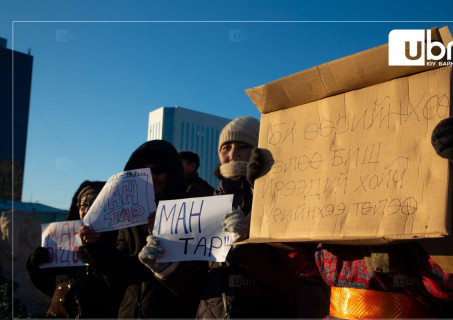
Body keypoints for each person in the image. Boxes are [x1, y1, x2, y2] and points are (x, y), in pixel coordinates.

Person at [291, 117, 453, 319]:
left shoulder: (413, 207)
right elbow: (303, 265)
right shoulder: (326, 207)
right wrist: (268, 195)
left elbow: (448, 285)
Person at [138, 116, 304, 318]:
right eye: (225, 148)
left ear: (260, 150)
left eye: (243, 146)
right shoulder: (205, 206)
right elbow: (197, 289)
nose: (232, 154)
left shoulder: (280, 201)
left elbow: (293, 281)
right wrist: (166, 268)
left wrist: (244, 248)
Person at [77, 140, 199, 318]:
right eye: (143, 172)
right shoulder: (126, 218)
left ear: (171, 172)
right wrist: (97, 246)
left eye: (158, 170)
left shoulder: (190, 209)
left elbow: (198, 278)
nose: (151, 178)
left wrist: (167, 235)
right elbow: (120, 275)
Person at [25, 180, 122, 318]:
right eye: (84, 205)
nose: (88, 210)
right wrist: (36, 267)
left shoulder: (121, 242)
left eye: (96, 203)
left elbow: (122, 288)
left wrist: (97, 257)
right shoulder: (64, 244)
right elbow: (54, 289)